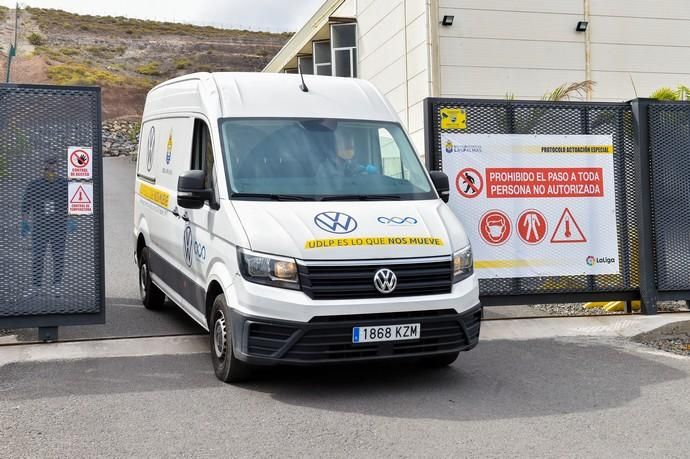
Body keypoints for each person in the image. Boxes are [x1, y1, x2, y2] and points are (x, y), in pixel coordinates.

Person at [20, 157, 73, 295]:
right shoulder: (34, 185)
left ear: (57, 168)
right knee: (38, 256)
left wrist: (72, 219)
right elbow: (26, 205)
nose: (50, 171)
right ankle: (36, 287)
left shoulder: (64, 184)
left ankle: (57, 285)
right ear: (42, 169)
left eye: (53, 169)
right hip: (40, 227)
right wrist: (24, 222)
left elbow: (72, 204)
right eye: (47, 169)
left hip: (59, 227)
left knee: (58, 256)